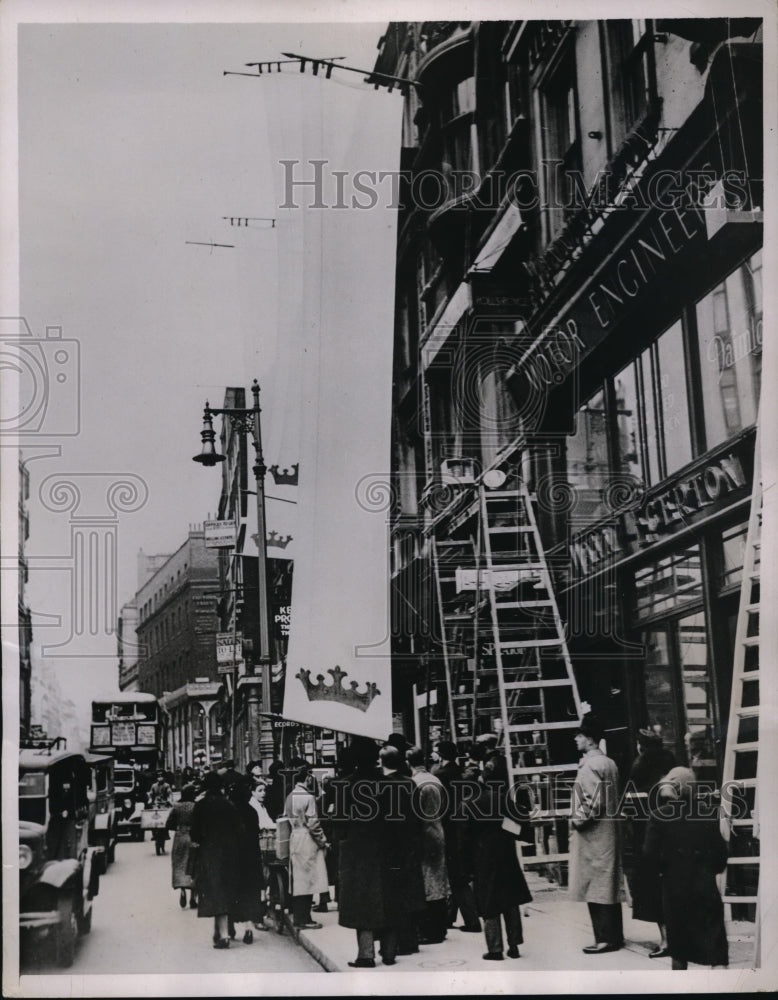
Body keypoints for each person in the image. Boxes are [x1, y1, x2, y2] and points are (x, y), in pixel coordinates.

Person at [336, 739, 425, 968]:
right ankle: (389, 952)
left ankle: (366, 954)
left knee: (363, 903)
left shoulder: (345, 785)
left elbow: (339, 826)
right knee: (390, 900)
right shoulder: (391, 784)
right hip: (390, 850)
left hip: (358, 853)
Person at [643, 766, 729, 970]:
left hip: (674, 889)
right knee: (715, 945)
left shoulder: (658, 816)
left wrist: (662, 872)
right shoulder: (708, 813)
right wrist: (709, 870)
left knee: (679, 948)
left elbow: (649, 855)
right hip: (705, 887)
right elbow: (720, 854)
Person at [465, 755, 532, 960]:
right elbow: (523, 823)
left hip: (483, 857)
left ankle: (495, 949)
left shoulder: (469, 804)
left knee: (489, 902)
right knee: (510, 899)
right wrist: (507, 829)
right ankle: (514, 944)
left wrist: (467, 867)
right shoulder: (503, 798)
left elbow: (465, 839)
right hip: (506, 853)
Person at [568, 713, 624, 954]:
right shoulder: (608, 763)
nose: (576, 739)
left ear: (590, 739)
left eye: (579, 735)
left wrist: (577, 821)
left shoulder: (590, 766)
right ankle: (614, 936)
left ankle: (604, 938)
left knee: (595, 885)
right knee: (607, 885)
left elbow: (593, 801)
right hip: (608, 831)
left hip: (593, 835)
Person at [623, 727, 676, 957]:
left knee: (655, 892)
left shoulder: (639, 774)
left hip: (649, 841)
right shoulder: (671, 770)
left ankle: (666, 940)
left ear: (640, 747)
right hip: (674, 839)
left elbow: (630, 812)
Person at [433, 740, 481, 933]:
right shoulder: (462, 773)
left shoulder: (439, 776)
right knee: (457, 874)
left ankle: (472, 920)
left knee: (456, 878)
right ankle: (449, 916)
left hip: (448, 828)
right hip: (464, 827)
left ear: (441, 756)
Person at [190, 771, 242, 949]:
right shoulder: (228, 805)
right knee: (226, 890)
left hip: (210, 853)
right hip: (230, 853)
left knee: (214, 891)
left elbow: (194, 833)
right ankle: (221, 930)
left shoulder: (201, 805)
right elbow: (240, 829)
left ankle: (224, 935)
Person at [407, 745, 450, 944]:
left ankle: (430, 930)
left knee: (427, 883)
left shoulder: (415, 783)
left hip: (424, 835)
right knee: (438, 881)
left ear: (408, 762)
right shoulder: (435, 780)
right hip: (438, 830)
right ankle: (441, 926)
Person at [285, 767, 330, 930]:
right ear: (307, 778)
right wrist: (323, 841)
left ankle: (299, 916)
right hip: (307, 839)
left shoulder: (290, 796)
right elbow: (313, 823)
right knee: (309, 879)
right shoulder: (308, 797)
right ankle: (304, 918)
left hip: (295, 836)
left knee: (299, 880)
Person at [226, 777, 265, 943]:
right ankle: (249, 929)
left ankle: (230, 926)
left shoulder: (229, 812)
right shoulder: (252, 812)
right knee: (249, 893)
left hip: (233, 858)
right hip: (250, 858)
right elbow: (255, 834)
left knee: (232, 892)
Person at [249, 778, 277, 927]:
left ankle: (265, 908)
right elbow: (262, 823)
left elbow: (268, 821)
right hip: (259, 844)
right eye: (260, 790)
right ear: (253, 792)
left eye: (264, 790)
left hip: (266, 843)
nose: (263, 793)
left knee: (267, 875)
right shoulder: (253, 806)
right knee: (261, 877)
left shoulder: (261, 806)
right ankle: (257, 915)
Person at [166, 783, 198, 909]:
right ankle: (193, 898)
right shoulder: (196, 806)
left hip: (179, 837)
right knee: (193, 865)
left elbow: (169, 824)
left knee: (179, 864)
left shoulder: (176, 806)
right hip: (193, 837)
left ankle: (182, 890)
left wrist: (179, 828)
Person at [148, 770, 173, 855]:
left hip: (164, 805)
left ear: (164, 778)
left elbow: (169, 794)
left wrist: (169, 800)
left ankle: (166, 833)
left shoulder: (167, 785)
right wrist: (150, 800)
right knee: (152, 819)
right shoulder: (154, 786)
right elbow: (151, 794)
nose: (160, 778)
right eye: (159, 776)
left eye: (161, 776)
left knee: (166, 821)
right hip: (156, 805)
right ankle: (153, 832)